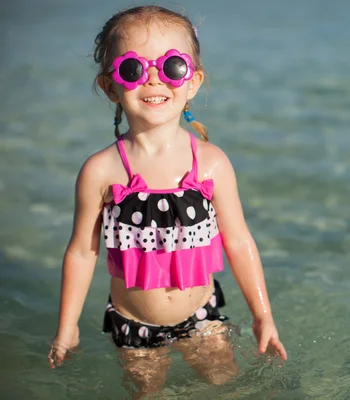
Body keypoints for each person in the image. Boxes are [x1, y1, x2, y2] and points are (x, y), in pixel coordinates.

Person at [48, 5, 287, 396]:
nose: (154, 80)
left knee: (225, 384)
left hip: (203, 317)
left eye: (172, 66)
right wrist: (67, 327)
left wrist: (263, 316)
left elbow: (239, 241)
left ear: (192, 82)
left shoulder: (211, 164)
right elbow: (80, 253)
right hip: (134, 324)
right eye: (133, 69)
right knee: (147, 393)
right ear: (111, 86)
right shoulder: (102, 171)